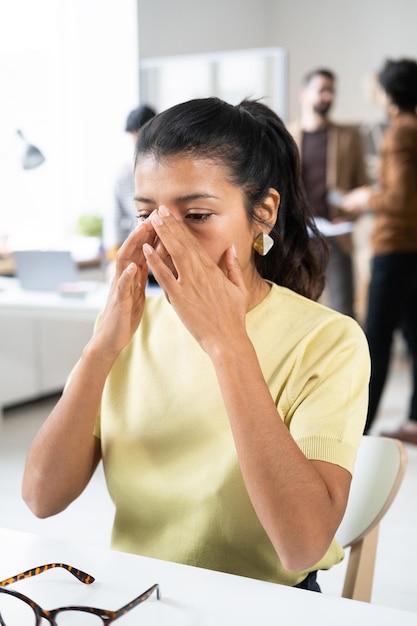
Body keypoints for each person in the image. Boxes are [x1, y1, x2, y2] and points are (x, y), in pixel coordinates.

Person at [22, 97, 370, 591]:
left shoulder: (329, 342)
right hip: (140, 594)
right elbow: (41, 497)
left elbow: (302, 545)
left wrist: (227, 343)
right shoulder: (128, 324)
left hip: (267, 602)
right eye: (148, 215)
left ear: (264, 212)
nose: (165, 240)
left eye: (198, 215)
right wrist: (101, 349)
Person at [342, 58, 417, 442]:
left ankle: (356, 430)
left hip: (396, 247)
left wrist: (364, 198)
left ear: (388, 95)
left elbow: (400, 197)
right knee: (414, 334)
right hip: (411, 247)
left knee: (375, 338)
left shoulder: (402, 131)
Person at [288, 68, 368, 318]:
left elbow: (361, 186)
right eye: (322, 90)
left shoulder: (348, 137)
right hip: (300, 236)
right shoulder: (287, 136)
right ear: (303, 94)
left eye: (331, 91)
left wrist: (350, 217)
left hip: (336, 237)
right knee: (298, 309)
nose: (327, 96)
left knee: (344, 310)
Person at [103, 104, 156, 260]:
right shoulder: (126, 170)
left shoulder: (169, 165)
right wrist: (114, 257)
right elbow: (115, 216)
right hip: (136, 249)